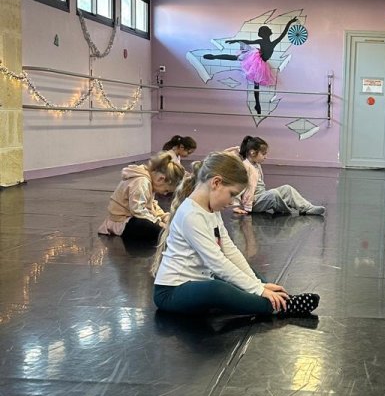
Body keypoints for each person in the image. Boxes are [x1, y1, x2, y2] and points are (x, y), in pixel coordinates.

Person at [152, 152, 320, 318]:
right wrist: (257, 289)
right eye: (232, 194)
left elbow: (229, 250)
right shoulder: (191, 215)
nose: (232, 202)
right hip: (171, 293)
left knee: (244, 273)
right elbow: (217, 262)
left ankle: (278, 299)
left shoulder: (211, 209)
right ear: (216, 183)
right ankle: (278, 306)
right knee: (217, 289)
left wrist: (258, 284)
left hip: (200, 279)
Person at [204, 19, 295, 116]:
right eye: (268, 31)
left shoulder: (269, 42)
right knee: (239, 60)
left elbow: (282, 34)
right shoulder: (268, 42)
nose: (269, 32)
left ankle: (257, 104)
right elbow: (249, 41)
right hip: (256, 59)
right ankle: (214, 56)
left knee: (253, 78)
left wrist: (290, 22)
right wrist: (235, 41)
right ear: (267, 34)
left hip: (260, 62)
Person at [227, 136, 325, 217]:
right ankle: (286, 210)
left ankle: (307, 208)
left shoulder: (256, 165)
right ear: (252, 153)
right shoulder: (245, 166)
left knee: (287, 188)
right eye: (263, 154)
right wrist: (236, 205)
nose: (265, 157)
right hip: (253, 203)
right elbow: (237, 186)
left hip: (261, 196)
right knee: (273, 194)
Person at [98, 152, 184, 243]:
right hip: (122, 222)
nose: (165, 194)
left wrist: (163, 216)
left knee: (155, 225)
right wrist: (158, 222)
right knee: (147, 226)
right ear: (161, 179)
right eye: (166, 190)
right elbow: (137, 210)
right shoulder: (141, 182)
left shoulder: (148, 181)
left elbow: (151, 205)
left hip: (130, 217)